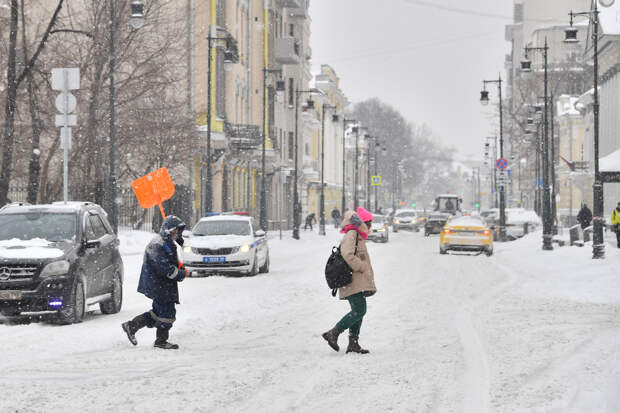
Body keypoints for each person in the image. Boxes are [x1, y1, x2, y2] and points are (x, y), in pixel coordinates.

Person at [122, 215, 188, 350]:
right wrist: (181, 273)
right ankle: (161, 341)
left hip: (161, 285)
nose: (177, 233)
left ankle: (132, 326)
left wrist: (178, 261)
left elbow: (171, 262)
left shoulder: (166, 242)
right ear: (169, 230)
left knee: (157, 312)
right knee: (167, 313)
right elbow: (165, 268)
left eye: (178, 231)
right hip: (160, 286)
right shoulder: (159, 245)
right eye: (175, 230)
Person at [322, 207, 377, 354]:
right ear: (363, 223)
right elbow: (347, 254)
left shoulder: (356, 234)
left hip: (356, 280)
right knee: (360, 309)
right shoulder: (352, 234)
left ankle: (353, 343)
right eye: (369, 223)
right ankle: (334, 333)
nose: (370, 227)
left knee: (358, 311)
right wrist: (361, 266)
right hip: (352, 279)